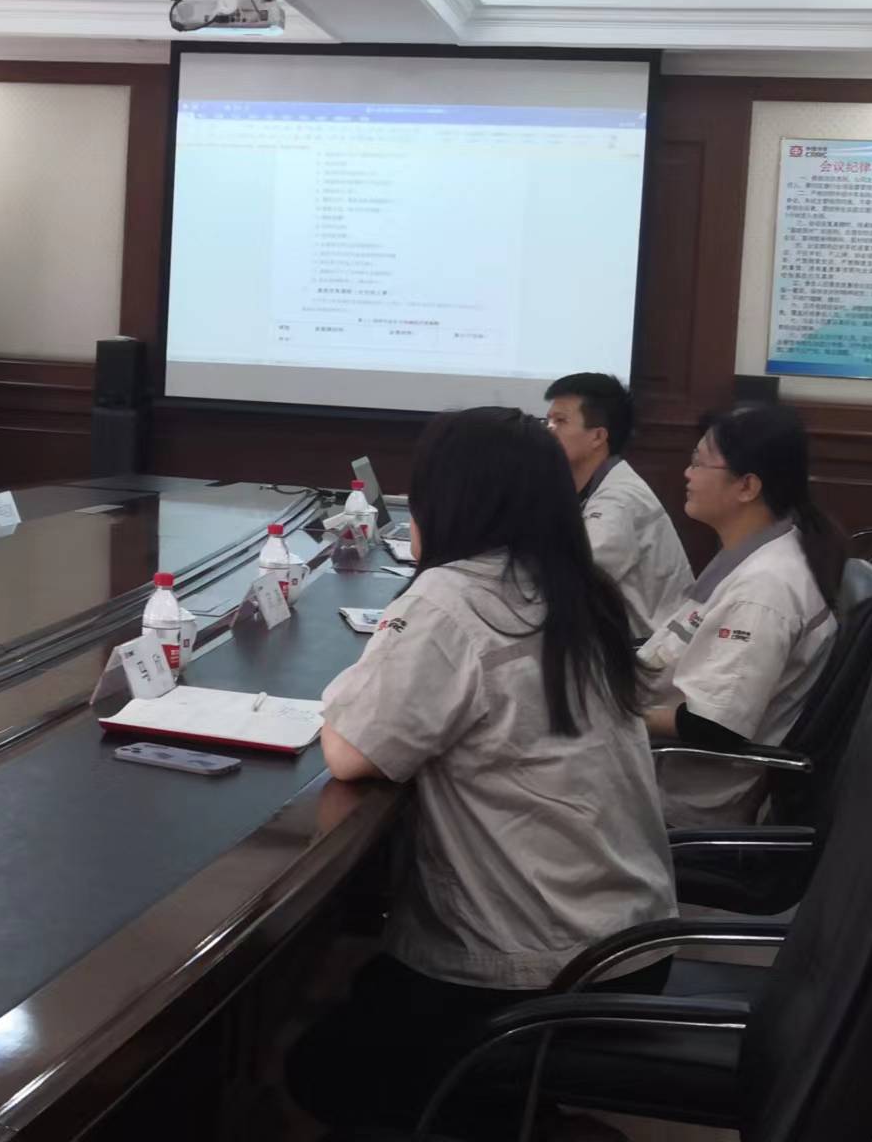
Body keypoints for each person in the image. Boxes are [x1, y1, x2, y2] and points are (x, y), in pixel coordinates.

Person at [289, 407, 678, 1135]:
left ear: (450, 498)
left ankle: (493, 1117)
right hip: (627, 940)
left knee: (319, 1066)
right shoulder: (574, 588)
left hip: (534, 968)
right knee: (367, 986)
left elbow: (349, 749)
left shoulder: (454, 598)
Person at [637, 401, 844, 828]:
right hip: (657, 766)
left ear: (747, 486)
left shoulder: (765, 588)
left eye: (698, 463)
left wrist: (618, 715)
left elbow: (712, 725)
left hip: (686, 801)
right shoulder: (754, 554)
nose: (687, 474)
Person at [543, 372, 693, 637]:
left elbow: (574, 577)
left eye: (560, 421)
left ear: (598, 437)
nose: (548, 430)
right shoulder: (587, 485)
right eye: (548, 421)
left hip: (647, 650)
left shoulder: (620, 499)